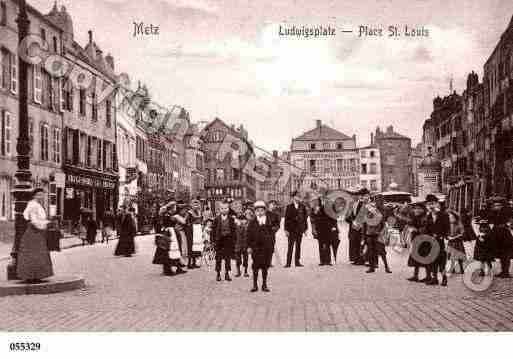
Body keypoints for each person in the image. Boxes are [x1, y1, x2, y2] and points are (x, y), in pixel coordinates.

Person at [16, 188, 54, 283]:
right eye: (39, 195)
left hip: (37, 231)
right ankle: (31, 275)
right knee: (34, 252)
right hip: (34, 231)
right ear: (34, 196)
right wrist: (44, 225)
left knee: (38, 252)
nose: (41, 197)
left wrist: (45, 223)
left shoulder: (37, 204)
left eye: (42, 195)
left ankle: (36, 275)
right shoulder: (33, 205)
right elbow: (33, 220)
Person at [247, 201, 280, 292]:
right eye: (257, 211)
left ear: (265, 211)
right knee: (255, 266)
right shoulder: (252, 222)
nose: (260, 212)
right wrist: (249, 246)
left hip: (267, 247)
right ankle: (254, 285)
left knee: (265, 266)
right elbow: (248, 235)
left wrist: (272, 232)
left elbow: (275, 227)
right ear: (255, 212)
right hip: (256, 248)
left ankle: (264, 284)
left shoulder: (268, 221)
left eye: (262, 210)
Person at [424, 194, 450, 286]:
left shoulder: (443, 215)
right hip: (431, 242)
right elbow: (426, 229)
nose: (431, 206)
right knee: (433, 260)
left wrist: (442, 236)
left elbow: (447, 228)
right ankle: (434, 278)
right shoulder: (428, 216)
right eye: (429, 204)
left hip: (440, 241)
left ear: (436, 204)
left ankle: (444, 278)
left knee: (441, 261)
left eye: (432, 203)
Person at [363, 197, 391, 274]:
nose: (378, 202)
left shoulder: (385, 209)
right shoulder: (372, 209)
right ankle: (372, 267)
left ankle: (386, 267)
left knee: (382, 251)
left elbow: (386, 221)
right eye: (377, 201)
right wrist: (365, 234)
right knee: (371, 251)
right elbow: (366, 221)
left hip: (379, 233)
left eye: (380, 201)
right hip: (371, 232)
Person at [487, 197, 513, 278]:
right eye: (495, 205)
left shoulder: (506, 211)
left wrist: (509, 224)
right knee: (500, 254)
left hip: (504, 234)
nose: (496, 206)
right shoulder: (493, 212)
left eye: (498, 205)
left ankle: (506, 271)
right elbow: (489, 218)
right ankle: (503, 271)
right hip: (496, 233)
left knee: (506, 254)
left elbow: (510, 218)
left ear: (502, 205)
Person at [406, 201, 430, 282]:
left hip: (424, 241)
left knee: (425, 257)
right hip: (416, 239)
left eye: (419, 209)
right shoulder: (414, 217)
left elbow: (426, 228)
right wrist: (410, 227)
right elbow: (409, 224)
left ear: (423, 209)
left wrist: (416, 230)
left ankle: (428, 276)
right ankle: (415, 275)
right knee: (416, 257)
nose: (416, 210)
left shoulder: (425, 217)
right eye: (415, 208)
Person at [212, 201, 237, 281]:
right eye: (222, 208)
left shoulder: (231, 219)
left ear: (228, 209)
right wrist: (213, 241)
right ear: (219, 209)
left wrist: (234, 241)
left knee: (227, 258)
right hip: (219, 241)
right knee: (218, 258)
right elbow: (213, 231)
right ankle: (218, 274)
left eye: (226, 208)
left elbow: (234, 231)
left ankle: (227, 273)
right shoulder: (216, 219)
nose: (224, 210)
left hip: (228, 241)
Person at [284, 191, 307, 267]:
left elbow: (305, 218)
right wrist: (286, 230)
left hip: (299, 229)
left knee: (298, 246)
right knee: (290, 246)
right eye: (296, 196)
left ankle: (297, 262)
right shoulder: (289, 207)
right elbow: (286, 219)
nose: (298, 197)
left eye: (299, 196)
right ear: (293, 197)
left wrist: (305, 229)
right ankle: (288, 263)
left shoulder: (302, 207)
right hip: (291, 229)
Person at [310, 197, 336, 266]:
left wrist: (334, 226)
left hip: (328, 227)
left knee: (328, 243)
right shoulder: (316, 203)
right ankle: (322, 260)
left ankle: (328, 260)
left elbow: (333, 215)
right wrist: (316, 211)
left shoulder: (330, 203)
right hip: (319, 226)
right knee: (321, 243)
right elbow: (312, 215)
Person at [345, 189, 367, 265]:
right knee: (353, 242)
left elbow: (364, 215)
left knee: (360, 243)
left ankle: (361, 259)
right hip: (352, 227)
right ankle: (355, 259)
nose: (354, 197)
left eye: (356, 195)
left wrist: (358, 222)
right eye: (353, 195)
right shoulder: (350, 205)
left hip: (360, 227)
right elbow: (347, 217)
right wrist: (350, 220)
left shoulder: (362, 204)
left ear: (358, 196)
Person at [186, 199, 203, 269]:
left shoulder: (199, 212)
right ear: (191, 205)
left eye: (197, 205)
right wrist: (190, 226)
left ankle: (194, 262)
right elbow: (187, 222)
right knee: (191, 246)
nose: (196, 206)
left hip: (198, 230)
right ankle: (189, 263)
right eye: (194, 205)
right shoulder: (189, 213)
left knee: (196, 247)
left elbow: (201, 220)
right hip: (192, 231)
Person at [234, 213, 250, 277]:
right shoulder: (235, 227)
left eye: (243, 219)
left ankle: (245, 271)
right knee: (237, 259)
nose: (241, 221)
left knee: (245, 259)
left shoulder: (247, 227)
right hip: (237, 245)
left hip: (245, 245)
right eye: (240, 219)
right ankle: (238, 271)